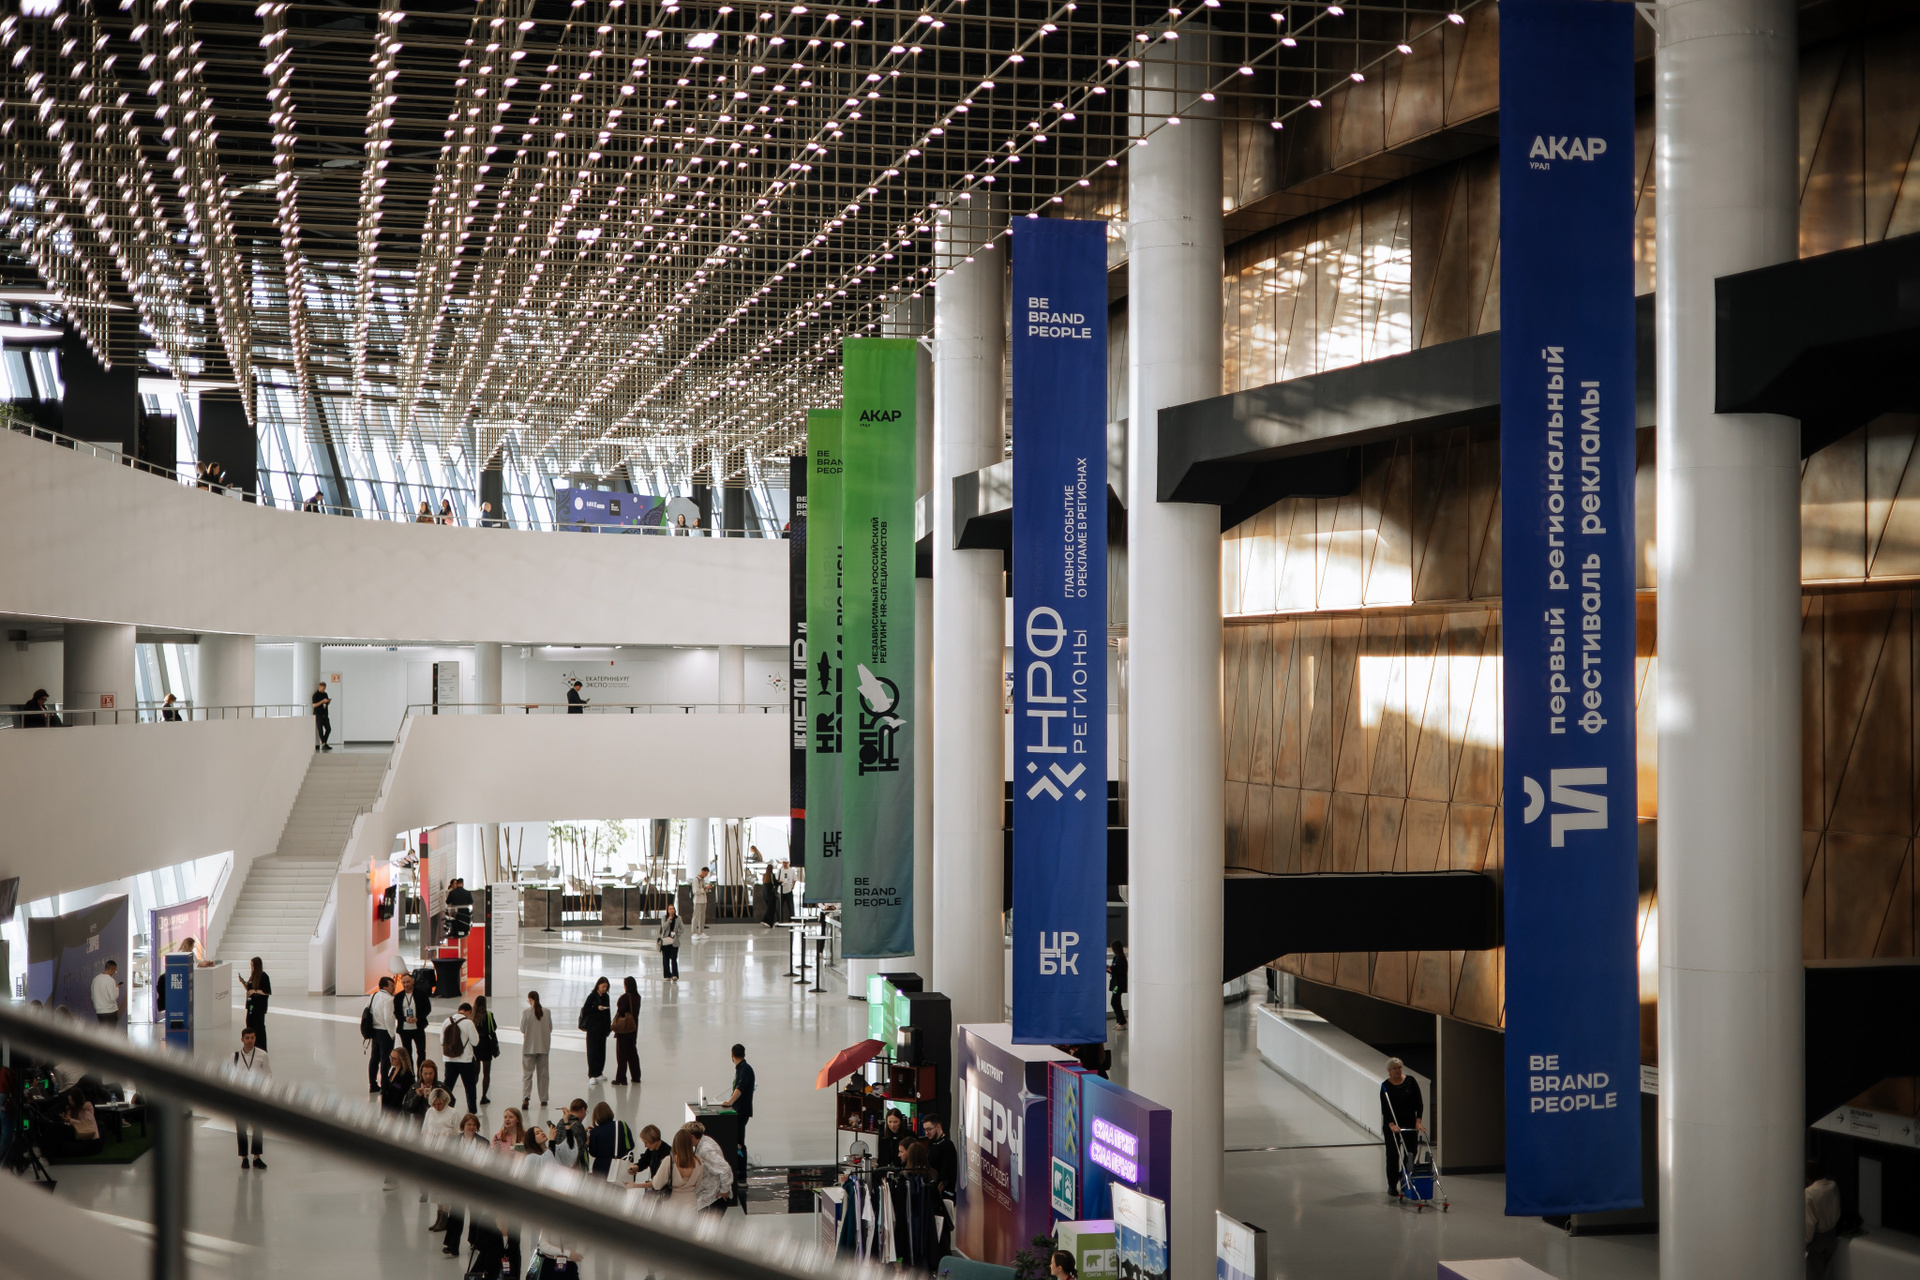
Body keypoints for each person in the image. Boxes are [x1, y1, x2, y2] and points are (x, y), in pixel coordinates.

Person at [441, 1113, 486, 1256]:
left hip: (476, 1183)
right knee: (456, 1213)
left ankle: (475, 1240)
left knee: (476, 1213)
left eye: (474, 1124)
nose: (471, 1127)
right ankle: (452, 1246)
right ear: (463, 1126)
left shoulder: (483, 1142)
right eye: (469, 1124)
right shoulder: (453, 1141)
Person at [1379, 1057, 1425, 1196]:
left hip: (1409, 1121)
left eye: (1399, 1067)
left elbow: (1419, 1103)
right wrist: (1392, 1124)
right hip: (1392, 1124)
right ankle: (1392, 1184)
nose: (1398, 1070)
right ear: (1389, 1071)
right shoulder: (1385, 1086)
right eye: (1395, 1068)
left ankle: (1403, 1177)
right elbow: (1385, 1109)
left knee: (1411, 1152)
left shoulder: (1411, 1081)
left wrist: (1418, 1121)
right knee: (1393, 1154)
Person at [651, 1129, 725, 1211]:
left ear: (675, 1143)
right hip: (691, 1204)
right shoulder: (698, 1162)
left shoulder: (669, 1160)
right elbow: (698, 1185)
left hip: (671, 1205)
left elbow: (657, 1185)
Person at [230, 1026, 270, 1169]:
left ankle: (257, 1157)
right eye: (247, 1038)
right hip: (240, 1096)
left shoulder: (262, 1055)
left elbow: (268, 1075)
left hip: (256, 1095)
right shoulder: (235, 1056)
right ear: (242, 1039)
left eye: (252, 1038)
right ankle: (244, 1157)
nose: (250, 1040)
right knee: (241, 1127)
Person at [442, 1000, 480, 1113]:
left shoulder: (446, 1021)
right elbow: (475, 1042)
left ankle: (444, 1108)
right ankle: (472, 1110)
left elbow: (441, 1041)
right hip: (465, 1060)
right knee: (469, 1087)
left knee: (447, 1086)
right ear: (469, 1012)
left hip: (449, 1059)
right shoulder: (468, 1023)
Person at [1807, 1161, 1842, 1279]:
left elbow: (1809, 1223)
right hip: (1832, 1235)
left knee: (1814, 1275)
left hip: (1817, 1240)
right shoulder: (1833, 1186)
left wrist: (1804, 1243)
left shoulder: (1809, 1193)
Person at [725, 1043, 754, 1181]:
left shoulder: (745, 1069)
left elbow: (740, 1087)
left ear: (732, 1055)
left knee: (739, 1143)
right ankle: (738, 1170)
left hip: (741, 1112)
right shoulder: (742, 1068)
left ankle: (741, 1174)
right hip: (739, 1111)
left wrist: (730, 1102)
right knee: (737, 1141)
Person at [520, 990, 552, 1112]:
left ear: (530, 999)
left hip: (529, 1047)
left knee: (527, 1074)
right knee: (543, 1074)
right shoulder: (547, 1012)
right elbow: (550, 1028)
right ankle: (543, 1099)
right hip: (543, 1047)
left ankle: (526, 1098)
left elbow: (522, 1029)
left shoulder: (526, 1012)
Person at [395, 971, 432, 1068]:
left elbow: (427, 1009)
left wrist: (418, 1018)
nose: (406, 984)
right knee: (407, 1054)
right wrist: (404, 1019)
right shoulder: (398, 997)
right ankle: (410, 1073)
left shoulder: (421, 994)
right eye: (404, 982)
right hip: (404, 1030)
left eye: (408, 982)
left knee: (421, 1052)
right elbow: (396, 1013)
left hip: (418, 1028)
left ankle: (421, 1073)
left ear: (413, 981)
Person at [367, 975, 398, 1091]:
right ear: (385, 987)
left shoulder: (373, 996)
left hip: (374, 1031)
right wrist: (392, 1034)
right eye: (392, 985)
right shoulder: (389, 999)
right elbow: (388, 1018)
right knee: (385, 1059)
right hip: (385, 1032)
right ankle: (384, 1084)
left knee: (374, 1058)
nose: (394, 987)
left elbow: (367, 1010)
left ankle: (372, 1083)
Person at [585, 1101, 632, 1176]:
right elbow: (630, 1145)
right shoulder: (621, 1125)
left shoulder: (594, 1131)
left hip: (600, 1168)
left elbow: (593, 1153)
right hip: (619, 1165)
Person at [580, 977, 612, 1083]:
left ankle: (599, 1072)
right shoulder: (592, 996)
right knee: (593, 1050)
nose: (605, 989)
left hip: (602, 1028)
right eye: (603, 986)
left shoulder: (606, 997)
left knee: (601, 1050)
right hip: (593, 1028)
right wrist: (597, 1008)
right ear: (598, 985)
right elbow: (585, 1010)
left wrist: (608, 1027)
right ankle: (592, 1074)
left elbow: (608, 1012)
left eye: (606, 987)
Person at [472, 993, 500, 1104]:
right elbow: (494, 1028)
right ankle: (484, 1096)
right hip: (487, 1046)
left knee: (475, 1073)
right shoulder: (488, 1015)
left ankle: (472, 1095)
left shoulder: (472, 1017)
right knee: (486, 1073)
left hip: (475, 1046)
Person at [612, 979, 641, 1085]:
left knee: (621, 1055)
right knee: (632, 1053)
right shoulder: (637, 997)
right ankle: (636, 1076)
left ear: (627, 986)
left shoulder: (625, 997)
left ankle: (621, 1078)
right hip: (633, 1028)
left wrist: (619, 1000)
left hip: (624, 1029)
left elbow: (621, 1010)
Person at [923, 1114, 958, 1197]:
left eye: (929, 1129)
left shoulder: (947, 1145)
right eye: (925, 1130)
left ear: (938, 1126)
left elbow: (948, 1173)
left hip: (943, 1192)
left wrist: (939, 1190)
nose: (926, 1133)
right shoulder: (931, 1143)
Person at [243, 957, 271, 1049]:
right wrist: (243, 983)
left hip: (259, 1007)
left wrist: (254, 991)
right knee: (249, 1024)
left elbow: (266, 991)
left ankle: (261, 1047)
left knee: (259, 1027)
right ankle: (251, 1046)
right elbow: (249, 989)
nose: (251, 967)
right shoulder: (253, 976)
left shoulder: (264, 976)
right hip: (251, 1006)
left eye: (252, 965)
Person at [90, 959, 123, 1030]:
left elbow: (92, 996)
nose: (114, 973)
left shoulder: (95, 979)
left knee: (104, 1032)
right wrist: (117, 988)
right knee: (110, 1033)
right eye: (115, 971)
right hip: (110, 1011)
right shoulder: (110, 980)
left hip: (99, 1012)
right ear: (112, 969)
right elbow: (113, 997)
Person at [657, 903, 682, 979]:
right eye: (670, 909)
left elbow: (682, 928)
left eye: (673, 909)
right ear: (667, 911)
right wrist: (669, 920)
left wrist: (677, 935)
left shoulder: (678, 918)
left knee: (674, 958)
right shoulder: (664, 918)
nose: (672, 910)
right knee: (665, 959)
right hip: (665, 941)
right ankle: (667, 975)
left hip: (674, 941)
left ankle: (675, 975)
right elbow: (664, 927)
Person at [1108, 943, 1128, 1028]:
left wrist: (1111, 969)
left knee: (1114, 1002)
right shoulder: (1116, 958)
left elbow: (1119, 971)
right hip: (1115, 983)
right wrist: (1109, 969)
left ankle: (1122, 1021)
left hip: (1118, 984)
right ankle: (1119, 1021)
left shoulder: (1121, 959)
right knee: (1116, 1002)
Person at [311, 679, 332, 751]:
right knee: (320, 729)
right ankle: (323, 743)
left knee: (328, 729)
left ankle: (324, 742)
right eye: (322, 688)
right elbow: (314, 705)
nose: (323, 690)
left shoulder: (325, 694)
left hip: (325, 714)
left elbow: (325, 703)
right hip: (318, 714)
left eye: (324, 688)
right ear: (319, 687)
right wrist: (322, 701)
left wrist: (327, 702)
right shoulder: (315, 695)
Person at [691, 868, 710, 936]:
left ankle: (701, 932)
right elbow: (696, 891)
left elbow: (703, 890)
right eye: (705, 873)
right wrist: (704, 888)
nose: (706, 875)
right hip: (698, 901)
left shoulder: (703, 880)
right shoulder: (696, 880)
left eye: (707, 874)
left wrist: (707, 888)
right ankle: (693, 932)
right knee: (696, 916)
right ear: (702, 871)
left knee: (702, 917)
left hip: (704, 900)